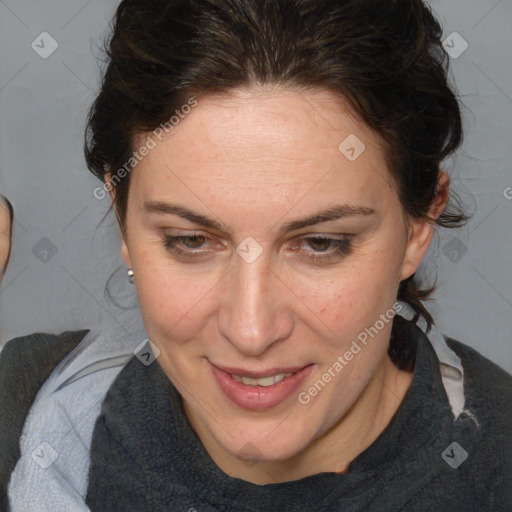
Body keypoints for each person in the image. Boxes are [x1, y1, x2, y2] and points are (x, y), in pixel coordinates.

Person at [1, 0, 511, 510]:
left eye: (320, 244)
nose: (251, 332)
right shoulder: (21, 405)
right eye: (191, 240)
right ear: (122, 217)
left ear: (418, 225)